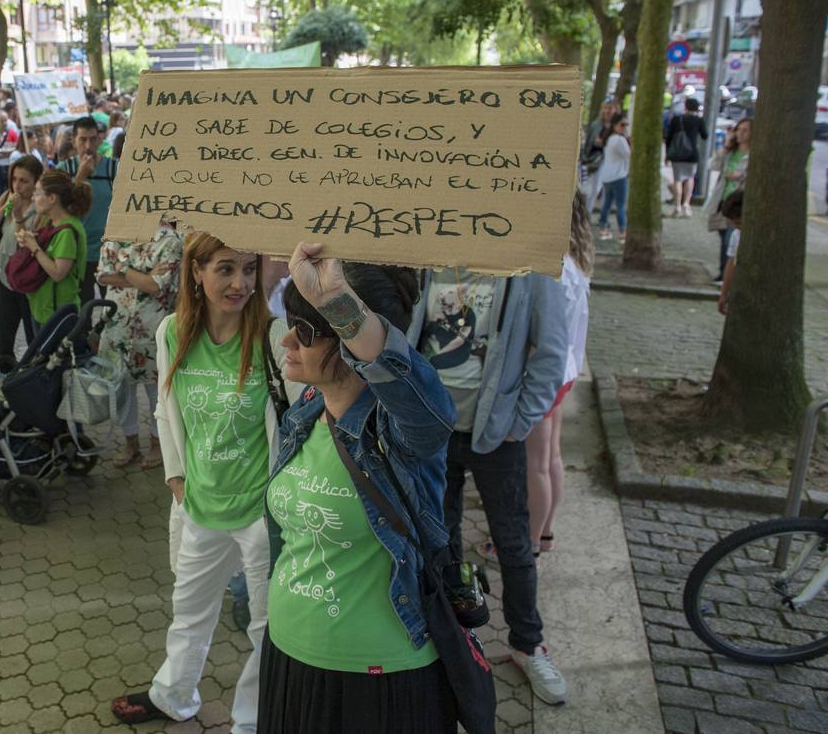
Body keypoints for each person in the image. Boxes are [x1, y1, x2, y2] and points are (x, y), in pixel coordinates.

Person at [257, 247, 459, 732]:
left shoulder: (404, 435)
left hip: (377, 675)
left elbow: (423, 404)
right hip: (288, 652)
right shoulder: (304, 410)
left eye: (305, 331)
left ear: (351, 341)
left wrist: (338, 303)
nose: (287, 340)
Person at [111, 232, 286, 730]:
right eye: (225, 268)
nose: (240, 283)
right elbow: (167, 415)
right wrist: (176, 479)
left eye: (249, 269)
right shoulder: (172, 332)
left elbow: (299, 421)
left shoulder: (272, 337)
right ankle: (173, 695)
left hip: (259, 510)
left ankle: (251, 723)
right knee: (188, 612)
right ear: (196, 271)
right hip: (200, 504)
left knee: (266, 628)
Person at [409, 259, 570, 705]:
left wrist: (518, 422)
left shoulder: (529, 267)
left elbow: (553, 350)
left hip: (495, 432)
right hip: (431, 426)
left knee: (514, 542)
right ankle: (454, 635)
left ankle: (527, 643)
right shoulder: (432, 251)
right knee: (441, 538)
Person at [527, 191, 593, 557]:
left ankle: (531, 541)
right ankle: (546, 531)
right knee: (551, 456)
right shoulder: (577, 261)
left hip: (547, 374)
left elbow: (542, 336)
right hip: (566, 371)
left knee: (534, 464)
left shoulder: (554, 267)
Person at [96, 222, 182, 470]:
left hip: (153, 327)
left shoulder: (170, 240)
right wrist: (143, 276)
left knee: (157, 390)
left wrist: (122, 267)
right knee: (122, 389)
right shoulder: (115, 231)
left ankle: (158, 444)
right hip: (117, 326)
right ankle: (130, 442)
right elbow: (102, 275)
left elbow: (156, 285)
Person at [0, 156, 42, 364]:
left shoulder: (41, 206)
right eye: (15, 179)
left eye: (24, 181)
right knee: (3, 342)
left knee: (34, 341)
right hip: (6, 282)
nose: (18, 185)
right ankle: (6, 382)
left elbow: (24, 242)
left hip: (29, 284)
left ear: (36, 181)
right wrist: (5, 209)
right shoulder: (7, 197)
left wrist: (18, 215)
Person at [15, 170, 89, 327]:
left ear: (52, 198)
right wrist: (30, 241)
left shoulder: (67, 231)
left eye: (37, 192)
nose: (33, 198)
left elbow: (58, 273)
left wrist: (34, 247)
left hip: (58, 313)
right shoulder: (52, 223)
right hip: (43, 309)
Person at [59, 116, 118, 305]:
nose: (88, 145)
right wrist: (80, 177)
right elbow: (60, 209)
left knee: (112, 305)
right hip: (77, 252)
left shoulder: (113, 168)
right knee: (82, 307)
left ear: (100, 140)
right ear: (74, 141)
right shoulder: (64, 170)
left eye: (93, 139)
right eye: (83, 139)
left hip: (109, 252)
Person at [709, 118, 751, 281]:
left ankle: (727, 277)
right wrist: (726, 145)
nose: (740, 133)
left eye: (745, 130)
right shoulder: (731, 152)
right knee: (724, 238)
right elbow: (713, 165)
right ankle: (723, 272)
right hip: (724, 200)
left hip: (739, 202)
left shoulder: (753, 154)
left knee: (730, 240)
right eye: (739, 130)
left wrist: (741, 176)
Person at [664, 97, 708, 217]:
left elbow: (669, 137)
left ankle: (677, 205)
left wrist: (667, 154)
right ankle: (686, 204)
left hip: (677, 154)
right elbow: (705, 135)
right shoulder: (699, 120)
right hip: (691, 153)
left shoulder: (677, 119)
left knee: (677, 179)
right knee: (690, 178)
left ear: (686, 107)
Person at [596, 112, 631, 241]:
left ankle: (603, 228)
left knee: (607, 204)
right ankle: (622, 231)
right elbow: (629, 155)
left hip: (607, 175)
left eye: (626, 125)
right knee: (621, 205)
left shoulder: (609, 138)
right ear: (615, 125)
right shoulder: (620, 140)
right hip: (619, 176)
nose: (625, 127)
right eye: (622, 125)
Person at [718, 189, 744, 316]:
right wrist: (724, 293)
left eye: (738, 223)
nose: (736, 226)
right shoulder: (736, 235)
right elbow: (731, 262)